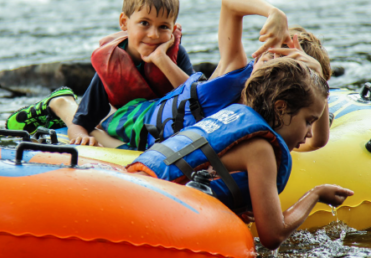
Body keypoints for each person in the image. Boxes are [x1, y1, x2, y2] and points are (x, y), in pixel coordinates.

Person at [127, 58, 354, 250]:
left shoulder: (232, 116)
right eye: (308, 121)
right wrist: (316, 194)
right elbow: (273, 236)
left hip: (135, 180)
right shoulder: (262, 150)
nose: (309, 133)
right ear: (281, 108)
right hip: (149, 207)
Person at [100, 0, 331, 151]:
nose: (272, 70)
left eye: (287, 73)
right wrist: (273, 12)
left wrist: (318, 76)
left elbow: (317, 142)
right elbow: (229, 2)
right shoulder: (235, 72)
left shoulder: (278, 119)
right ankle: (64, 103)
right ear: (259, 53)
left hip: (162, 137)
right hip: (139, 117)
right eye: (271, 57)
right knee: (97, 121)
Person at [5, 0, 194, 146]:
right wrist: (81, 136)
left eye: (163, 27)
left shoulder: (175, 56)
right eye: (144, 23)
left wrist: (162, 60)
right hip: (120, 119)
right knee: (100, 127)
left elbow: (197, 98)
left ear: (173, 29)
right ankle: (60, 103)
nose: (153, 34)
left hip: (153, 121)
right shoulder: (113, 63)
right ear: (124, 22)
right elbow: (80, 123)